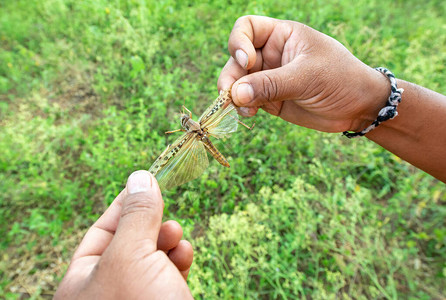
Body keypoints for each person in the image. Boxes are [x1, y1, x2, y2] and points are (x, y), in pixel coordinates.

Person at [55, 15, 446, 299]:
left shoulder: (201, 125)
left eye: (186, 120)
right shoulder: (194, 130)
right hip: (206, 138)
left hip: (206, 137)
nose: (186, 122)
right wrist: (369, 101)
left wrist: (367, 102)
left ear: (191, 121)